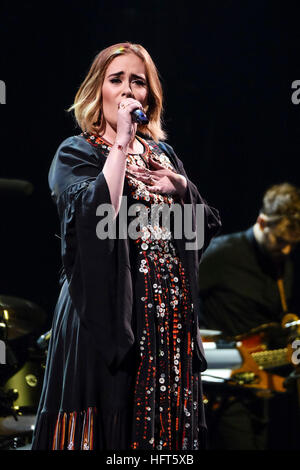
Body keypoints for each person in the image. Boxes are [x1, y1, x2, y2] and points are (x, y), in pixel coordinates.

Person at [31, 42, 221, 451]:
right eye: (116, 80)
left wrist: (183, 188)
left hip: (165, 319)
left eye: (138, 81)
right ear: (98, 90)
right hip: (107, 312)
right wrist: (121, 140)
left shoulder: (164, 155)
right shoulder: (76, 152)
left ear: (150, 95)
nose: (127, 89)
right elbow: (99, 213)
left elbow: (200, 227)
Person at [198, 182, 300, 450]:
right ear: (262, 222)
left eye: (292, 245)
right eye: (281, 242)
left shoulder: (282, 266)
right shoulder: (221, 254)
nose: (287, 251)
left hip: (260, 389)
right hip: (220, 391)